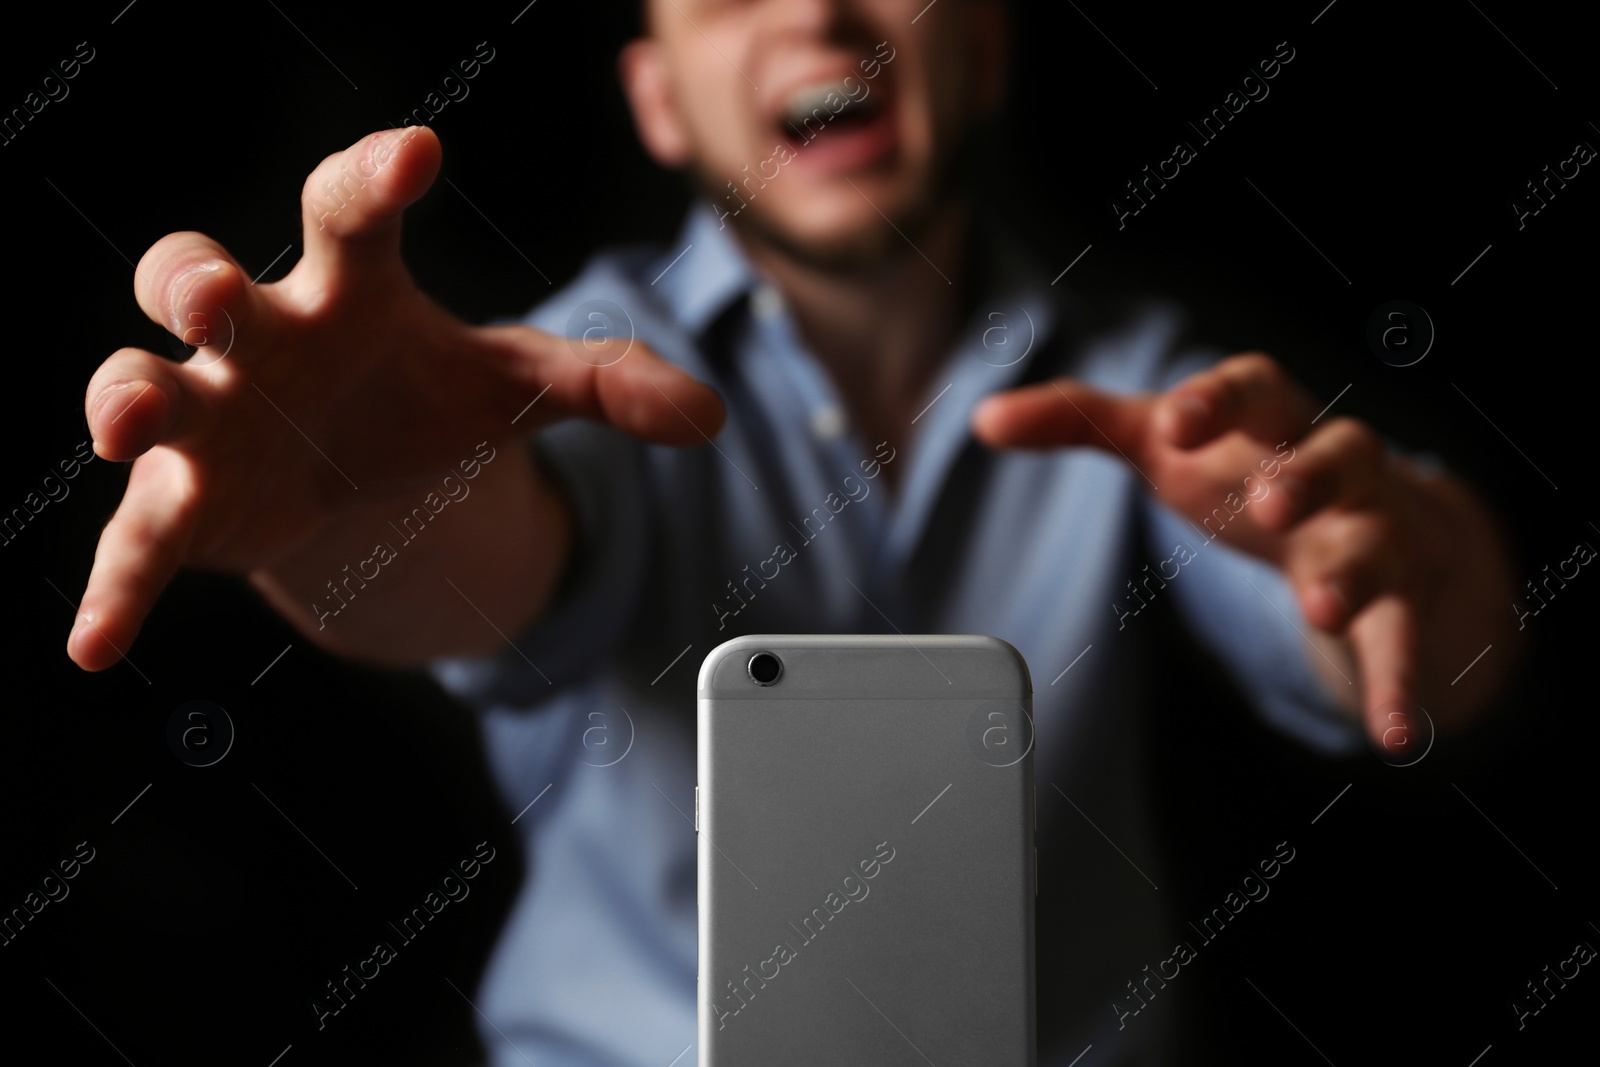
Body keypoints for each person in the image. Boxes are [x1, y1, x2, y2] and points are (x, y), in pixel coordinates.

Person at [71, 0, 1519, 1062]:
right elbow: (490, 565)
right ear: (655, 100)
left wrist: (1412, 563)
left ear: (987, 49)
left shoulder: (1148, 383)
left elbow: (1412, 639)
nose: (818, 13)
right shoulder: (571, 369)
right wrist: (342, 509)